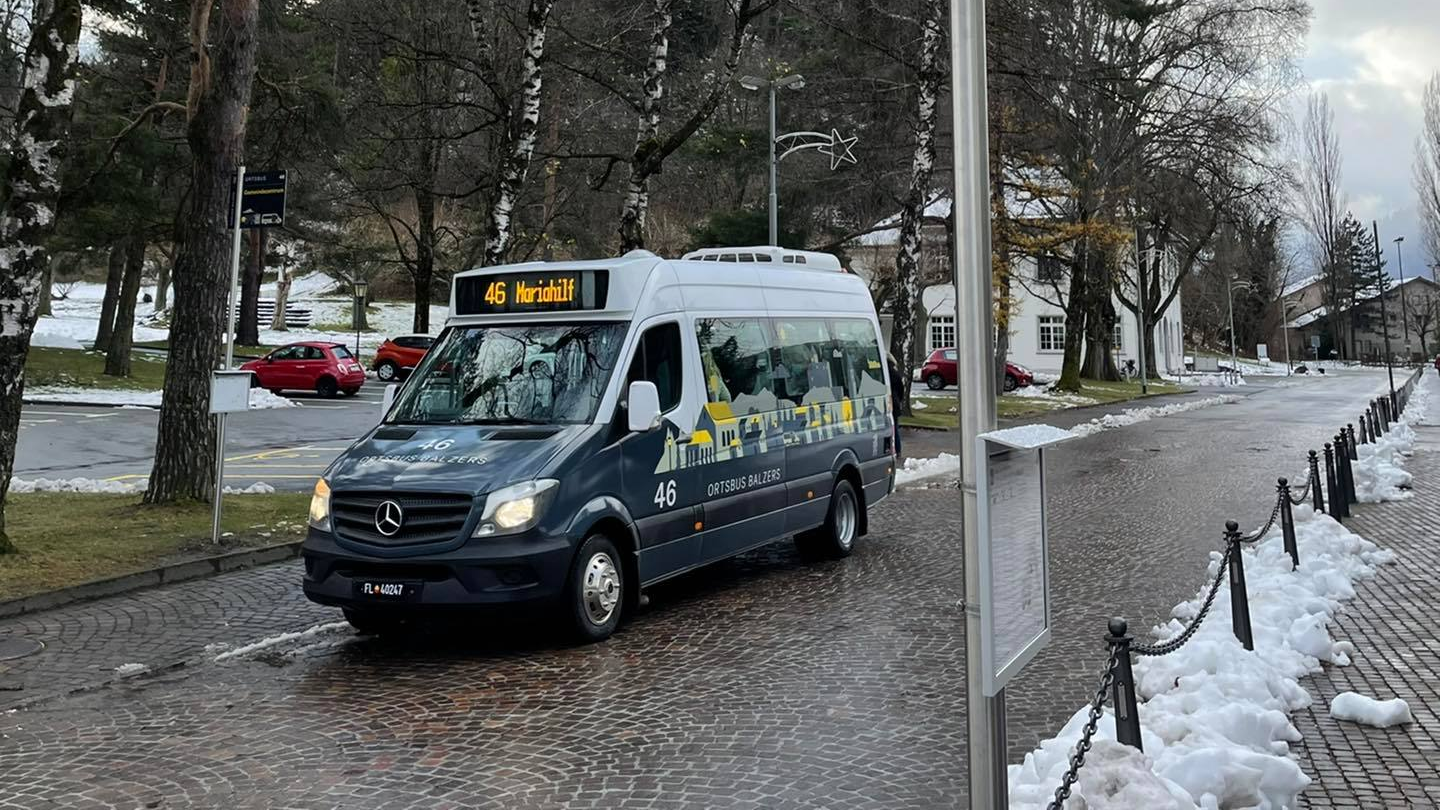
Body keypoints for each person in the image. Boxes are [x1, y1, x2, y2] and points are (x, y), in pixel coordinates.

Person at [886, 351, 905, 459]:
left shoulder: (884, 372)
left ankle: (892, 449)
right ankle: (897, 451)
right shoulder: (895, 373)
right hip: (895, 403)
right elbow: (901, 389)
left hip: (889, 402)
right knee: (895, 429)